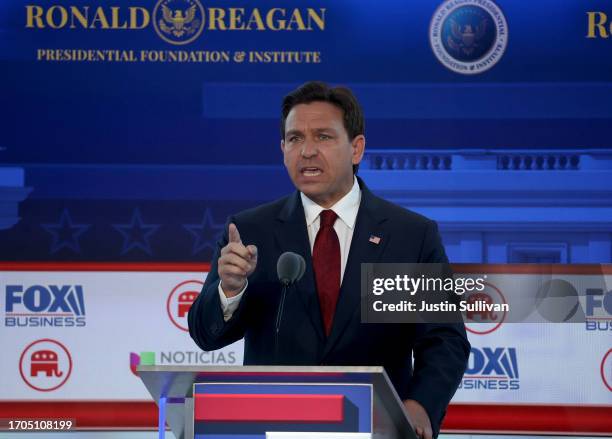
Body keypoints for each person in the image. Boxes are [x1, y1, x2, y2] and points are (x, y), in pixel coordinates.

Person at [188, 81, 470, 439]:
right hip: (273, 427)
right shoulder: (249, 231)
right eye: (294, 139)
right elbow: (205, 335)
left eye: (323, 137)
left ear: (357, 148)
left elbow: (444, 340)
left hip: (374, 427)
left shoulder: (407, 236)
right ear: (282, 149)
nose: (306, 151)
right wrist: (229, 290)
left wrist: (420, 405)